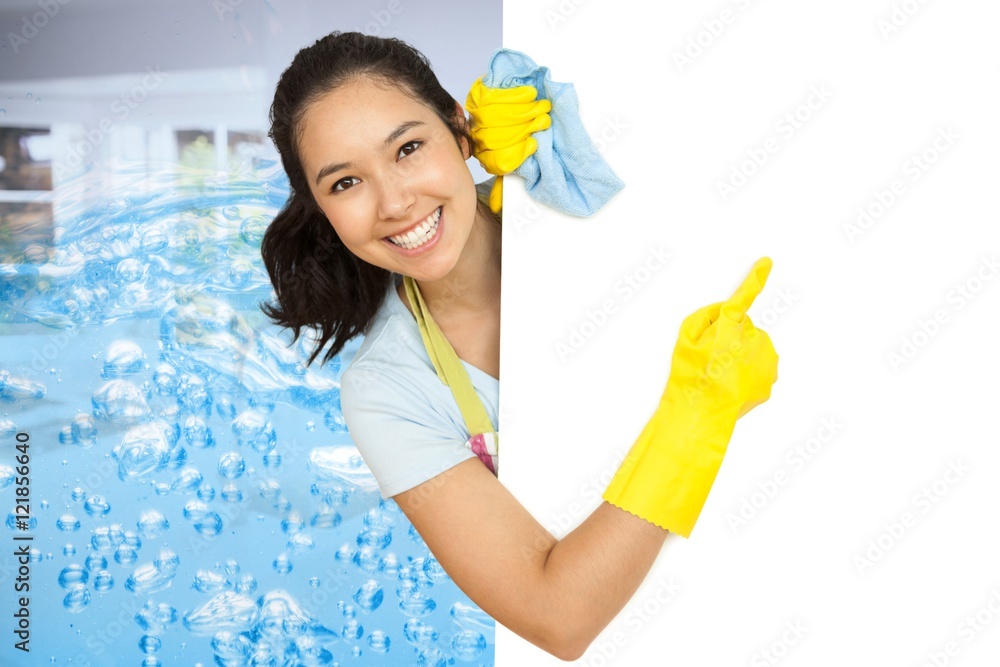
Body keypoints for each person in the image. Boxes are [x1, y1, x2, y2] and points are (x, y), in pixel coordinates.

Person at [260, 31, 779, 661]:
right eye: (345, 183)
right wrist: (700, 414)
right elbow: (558, 619)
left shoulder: (553, 189)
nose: (395, 202)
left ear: (460, 127)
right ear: (320, 209)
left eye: (409, 147)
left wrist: (557, 136)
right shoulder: (386, 389)